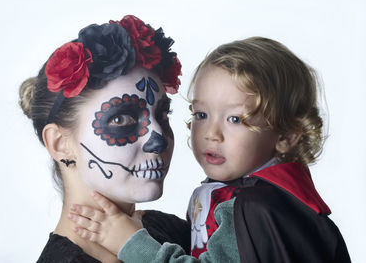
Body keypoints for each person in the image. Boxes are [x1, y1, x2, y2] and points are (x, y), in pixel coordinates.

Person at [67, 37, 351, 262]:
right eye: (201, 114)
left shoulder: (255, 208)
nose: (212, 134)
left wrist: (132, 243)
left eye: (235, 119)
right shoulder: (243, 195)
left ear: (286, 135)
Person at [19, 15, 190, 262]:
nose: (159, 138)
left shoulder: (172, 233)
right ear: (60, 144)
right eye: (121, 120)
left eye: (163, 114)